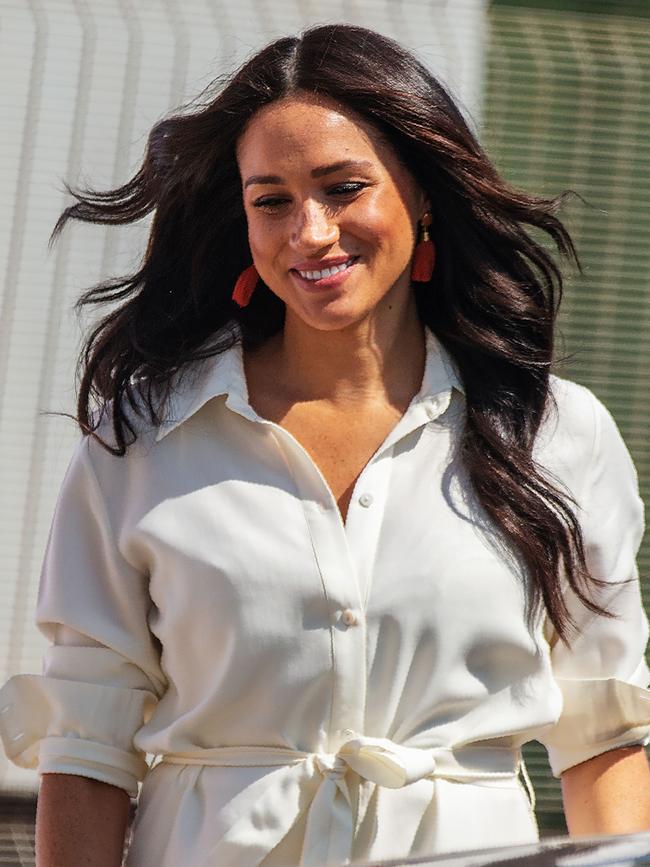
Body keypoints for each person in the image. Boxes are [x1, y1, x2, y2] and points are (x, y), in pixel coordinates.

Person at [1, 22, 649, 867]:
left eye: (343, 188)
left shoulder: (556, 434)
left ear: (421, 196)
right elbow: (88, 747)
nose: (309, 233)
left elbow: (604, 735)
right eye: (271, 199)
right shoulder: (142, 441)